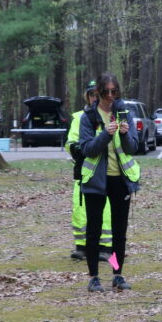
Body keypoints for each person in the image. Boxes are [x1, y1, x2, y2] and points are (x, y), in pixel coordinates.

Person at [77, 72, 141, 292]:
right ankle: (94, 276)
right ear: (99, 93)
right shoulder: (89, 117)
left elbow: (133, 147)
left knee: (118, 231)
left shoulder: (124, 114)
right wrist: (105, 134)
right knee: (93, 231)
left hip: (120, 181)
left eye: (115, 91)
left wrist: (124, 134)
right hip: (96, 181)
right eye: (106, 92)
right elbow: (86, 149)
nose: (111, 96)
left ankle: (117, 273)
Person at [65, 80, 111, 261]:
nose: (95, 98)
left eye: (98, 94)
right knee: (80, 208)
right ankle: (82, 246)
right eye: (92, 94)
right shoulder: (79, 117)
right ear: (87, 96)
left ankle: (106, 246)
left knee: (106, 210)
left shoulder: (111, 115)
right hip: (84, 172)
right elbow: (71, 143)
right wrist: (81, 150)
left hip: (108, 173)